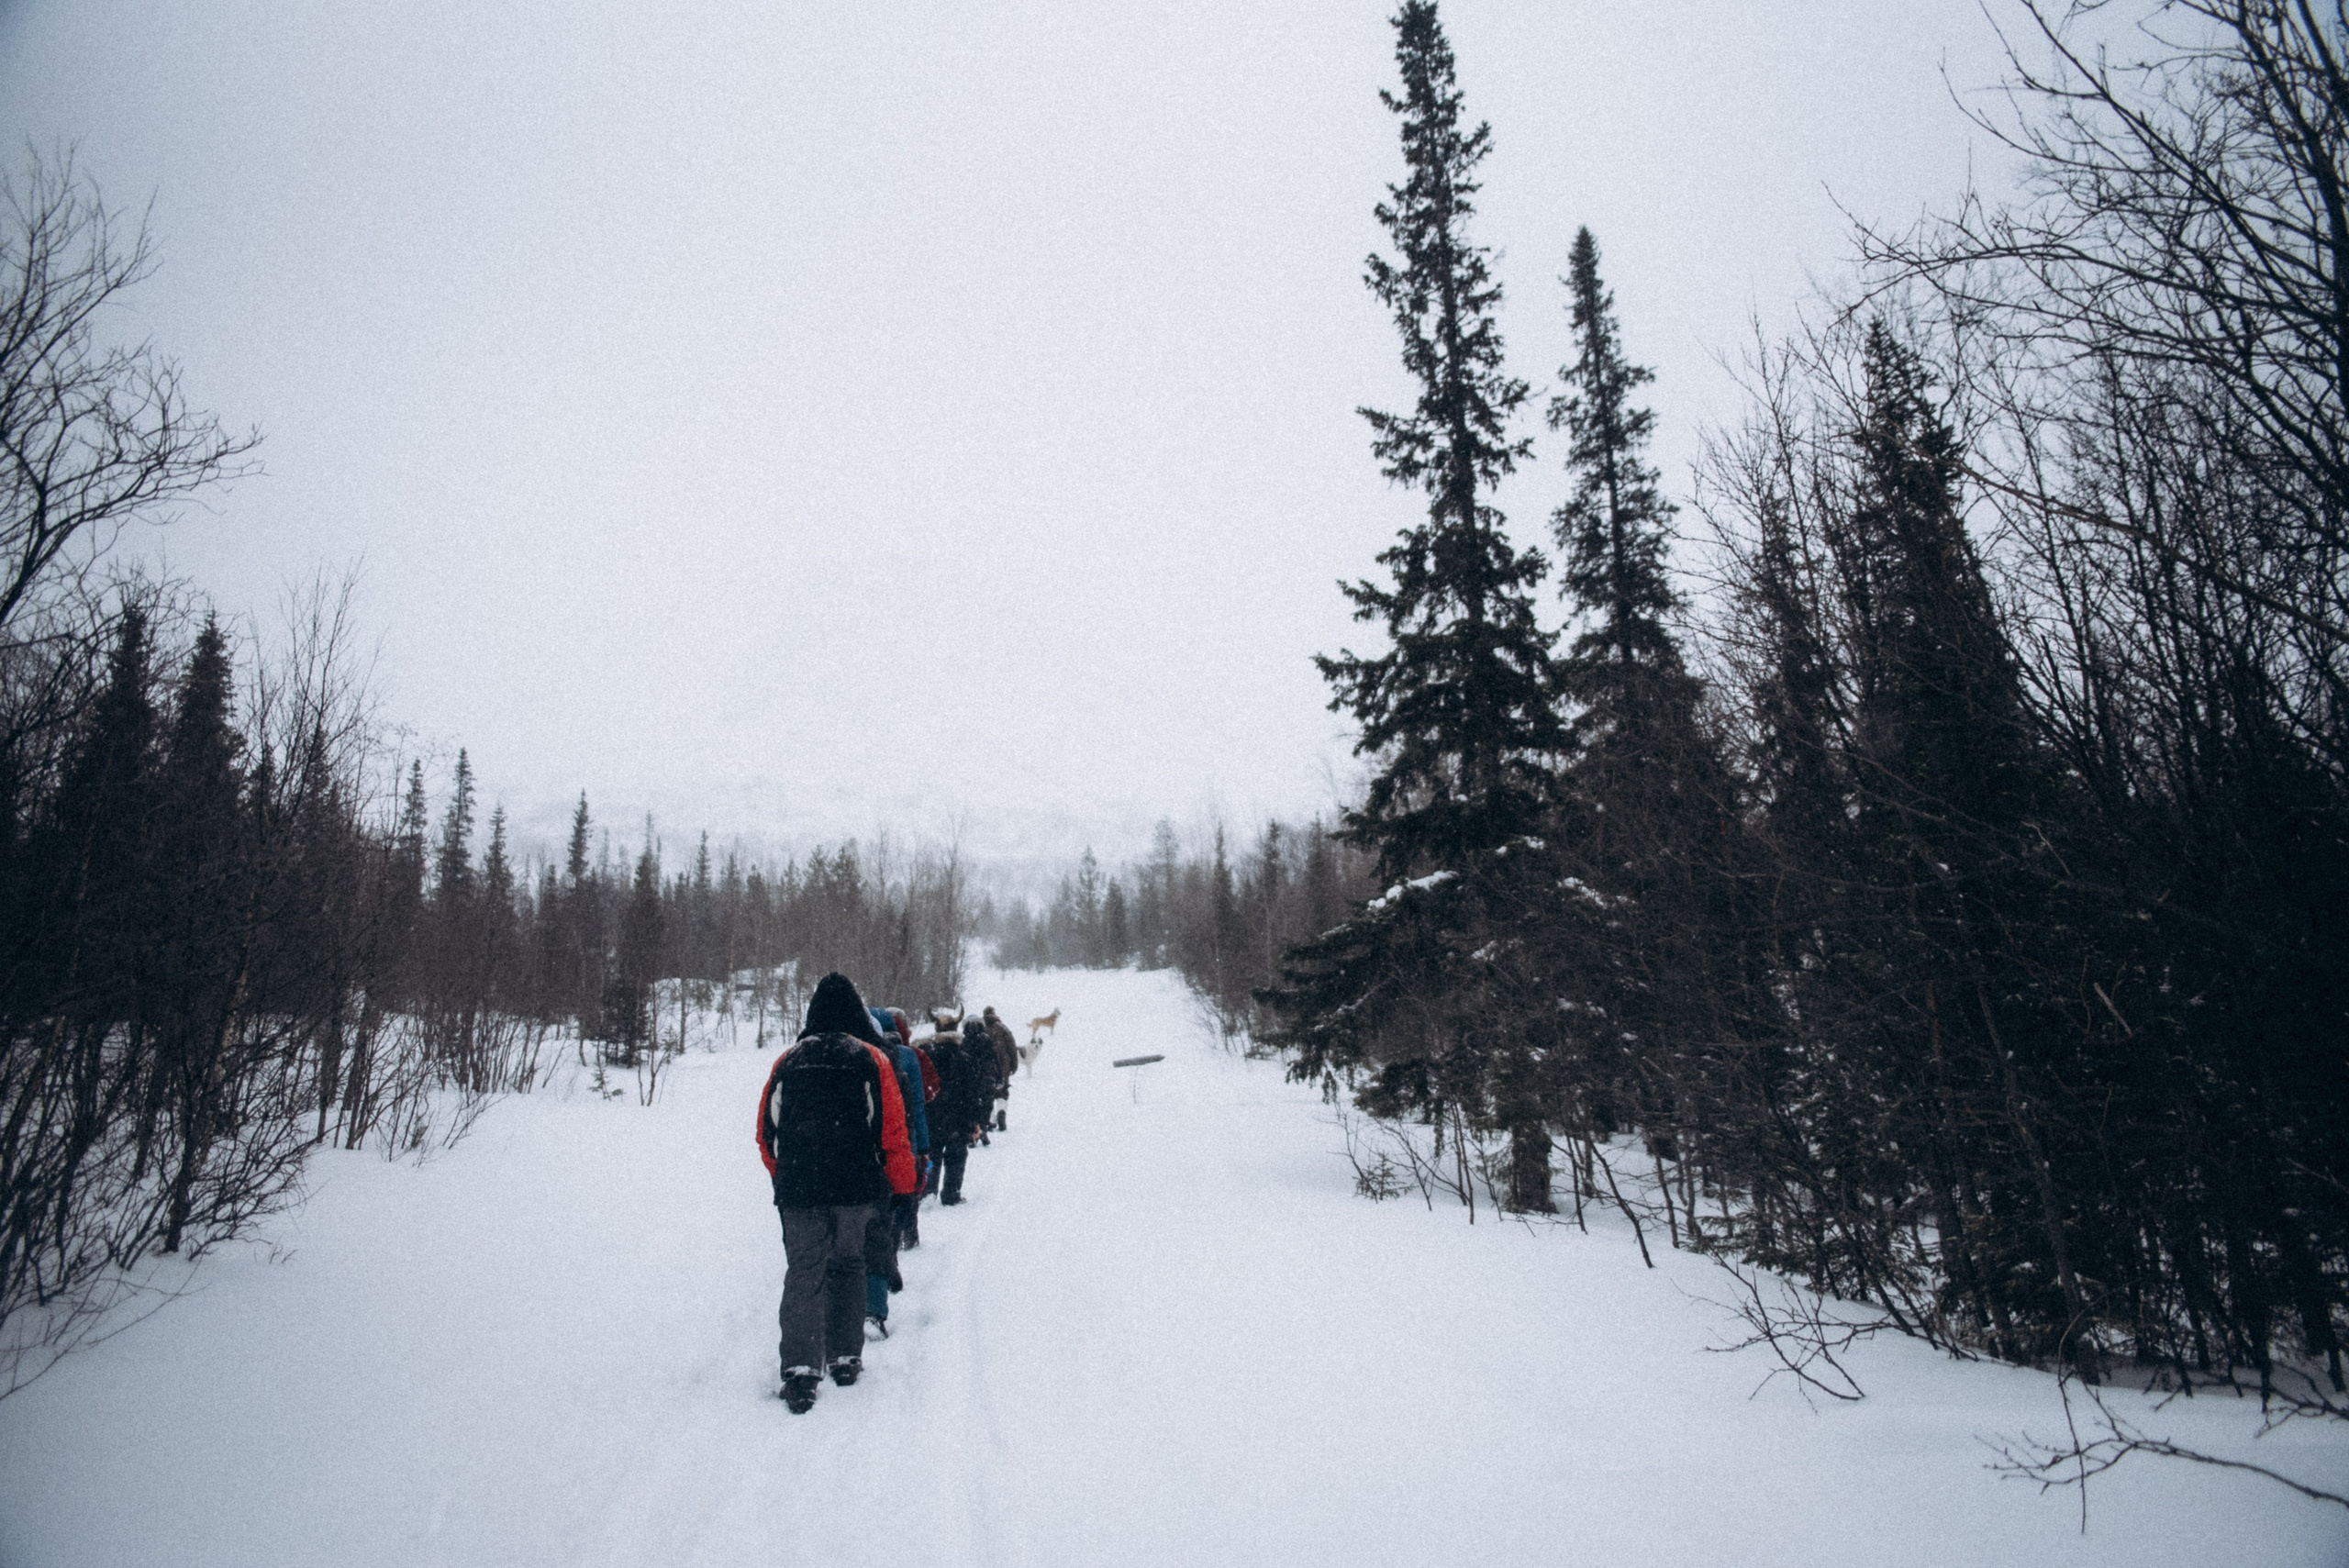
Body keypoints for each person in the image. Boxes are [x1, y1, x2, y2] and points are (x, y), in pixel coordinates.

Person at [756, 973, 916, 1412]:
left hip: (800, 1189)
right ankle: (845, 1357)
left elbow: (766, 1132)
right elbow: (892, 1132)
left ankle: (801, 1369)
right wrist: (902, 1185)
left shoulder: (788, 1061)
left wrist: (782, 1175)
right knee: (849, 1264)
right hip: (855, 1187)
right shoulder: (871, 1060)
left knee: (804, 1271)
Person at [861, 1006, 928, 1335]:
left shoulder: (854, 1055)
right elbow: (914, 1108)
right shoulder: (902, 1058)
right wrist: (918, 1149)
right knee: (881, 1226)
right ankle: (880, 1285)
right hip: (890, 1154)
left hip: (848, 1162)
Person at [930, 1018, 992, 1205]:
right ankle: (951, 1193)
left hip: (933, 1115)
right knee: (956, 1156)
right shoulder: (964, 1057)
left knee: (933, 1154)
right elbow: (972, 1093)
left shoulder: (927, 1055)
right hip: (958, 1116)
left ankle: (928, 1192)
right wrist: (975, 1121)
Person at [981, 1006, 1019, 1130]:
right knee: (1002, 1092)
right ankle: (1001, 1113)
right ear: (994, 1014)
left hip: (986, 1066)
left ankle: (991, 1120)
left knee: (988, 1094)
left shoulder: (982, 1029)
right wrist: (1014, 1064)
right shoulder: (1003, 1028)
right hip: (1004, 1065)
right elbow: (1012, 1047)